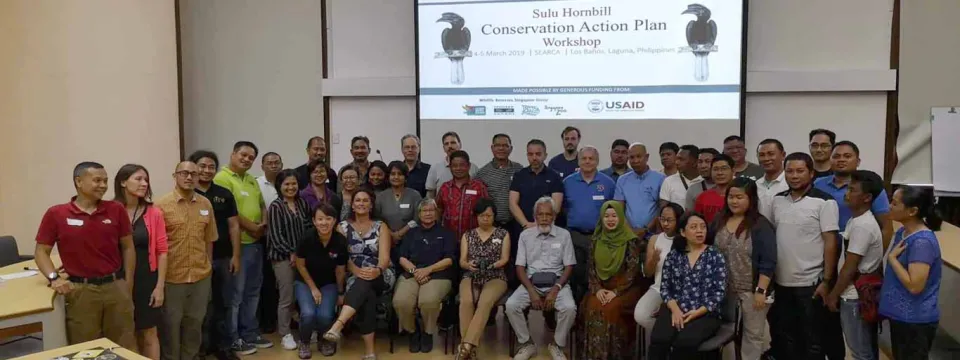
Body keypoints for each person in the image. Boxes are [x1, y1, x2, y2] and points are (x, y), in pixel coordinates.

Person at [34, 162, 137, 349]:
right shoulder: (56, 213)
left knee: (124, 343)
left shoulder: (116, 209)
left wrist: (128, 283)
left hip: (115, 287)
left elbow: (128, 247)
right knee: (86, 347)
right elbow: (41, 252)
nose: (103, 185)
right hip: (81, 291)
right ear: (79, 181)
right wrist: (54, 278)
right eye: (97, 180)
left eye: (105, 181)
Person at [769, 152, 839, 360]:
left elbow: (831, 242)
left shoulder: (824, 202)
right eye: (789, 171)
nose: (794, 176)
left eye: (800, 171)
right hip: (781, 282)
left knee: (813, 339)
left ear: (811, 173)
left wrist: (827, 281)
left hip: (810, 283)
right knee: (785, 335)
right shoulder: (777, 201)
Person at [155, 161, 219, 360]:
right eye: (184, 173)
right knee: (170, 327)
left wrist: (207, 267)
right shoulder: (160, 205)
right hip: (173, 277)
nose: (190, 177)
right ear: (175, 176)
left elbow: (209, 239)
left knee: (195, 325)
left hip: (200, 276)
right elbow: (156, 247)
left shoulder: (205, 204)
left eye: (194, 173)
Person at [322, 189, 395, 360]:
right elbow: (342, 256)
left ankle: (338, 325)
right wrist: (355, 270)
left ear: (371, 205)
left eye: (365, 200)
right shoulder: (342, 227)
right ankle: (369, 352)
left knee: (365, 282)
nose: (361, 203)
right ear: (352, 205)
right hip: (354, 274)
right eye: (358, 200)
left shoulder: (381, 226)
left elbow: (385, 258)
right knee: (366, 293)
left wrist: (376, 270)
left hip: (382, 274)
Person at [213, 141, 273, 350]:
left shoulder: (251, 179)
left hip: (256, 244)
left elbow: (262, 205)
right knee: (235, 295)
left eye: (251, 157)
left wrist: (263, 223)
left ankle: (250, 333)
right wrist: (253, 228)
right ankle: (233, 338)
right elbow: (231, 213)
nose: (247, 159)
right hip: (238, 246)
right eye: (243, 155)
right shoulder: (221, 178)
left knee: (253, 291)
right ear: (233, 154)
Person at [711, 177, 777, 359]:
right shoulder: (719, 220)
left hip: (752, 291)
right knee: (726, 333)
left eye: (739, 197)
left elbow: (768, 261)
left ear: (751, 198)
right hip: (724, 290)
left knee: (753, 335)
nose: (734, 201)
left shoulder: (760, 225)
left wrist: (761, 290)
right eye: (731, 197)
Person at [647, 212, 727, 359]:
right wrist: (675, 309)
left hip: (705, 311)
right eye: (694, 227)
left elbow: (719, 293)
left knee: (684, 343)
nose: (700, 231)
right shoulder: (674, 255)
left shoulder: (715, 255)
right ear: (683, 232)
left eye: (703, 227)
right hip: (675, 307)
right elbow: (665, 288)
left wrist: (697, 312)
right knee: (659, 340)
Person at [506, 197, 577, 360]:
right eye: (540, 215)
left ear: (554, 216)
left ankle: (557, 345)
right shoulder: (526, 235)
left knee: (569, 308)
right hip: (531, 283)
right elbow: (519, 267)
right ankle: (526, 343)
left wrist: (556, 289)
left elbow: (569, 266)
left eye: (548, 214)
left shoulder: (564, 235)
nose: (544, 218)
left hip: (558, 283)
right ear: (535, 216)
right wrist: (531, 291)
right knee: (511, 305)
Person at [191, 150, 246, 359]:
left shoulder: (224, 194)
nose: (206, 170)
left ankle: (224, 347)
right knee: (200, 306)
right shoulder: (188, 194)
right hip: (195, 260)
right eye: (202, 166)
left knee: (224, 303)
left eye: (211, 166)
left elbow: (234, 226)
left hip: (223, 257)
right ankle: (201, 349)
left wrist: (236, 256)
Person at [824, 170, 884, 360]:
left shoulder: (862, 225)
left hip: (854, 296)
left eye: (852, 189)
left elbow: (850, 268)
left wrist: (833, 295)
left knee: (860, 351)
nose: (846, 193)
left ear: (867, 197)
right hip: (855, 293)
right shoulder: (855, 220)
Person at [880, 185, 943, 360]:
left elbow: (915, 286)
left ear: (912, 211)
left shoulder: (922, 242)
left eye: (894, 203)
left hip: (915, 319)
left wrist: (892, 259)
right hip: (900, 316)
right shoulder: (902, 232)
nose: (889, 206)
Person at [114, 164, 168, 360]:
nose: (144, 183)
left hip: (147, 279)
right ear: (122, 181)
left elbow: (162, 251)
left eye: (146, 180)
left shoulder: (154, 212)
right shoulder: (110, 210)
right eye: (138, 179)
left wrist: (160, 287)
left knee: (149, 332)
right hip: (117, 280)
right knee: (124, 333)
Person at [580, 201, 644, 360]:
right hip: (601, 288)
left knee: (610, 308)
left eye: (614, 216)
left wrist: (616, 292)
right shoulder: (596, 240)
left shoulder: (631, 241)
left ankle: (614, 356)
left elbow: (632, 272)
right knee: (592, 306)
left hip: (625, 289)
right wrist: (598, 288)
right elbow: (591, 269)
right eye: (606, 216)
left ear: (621, 218)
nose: (610, 219)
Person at [394, 199, 457, 353]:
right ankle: (412, 332)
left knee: (428, 301)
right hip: (412, 274)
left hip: (439, 275)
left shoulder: (446, 233)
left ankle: (428, 333)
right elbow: (402, 258)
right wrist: (416, 272)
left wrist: (428, 270)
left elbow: (449, 259)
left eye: (431, 210)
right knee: (401, 301)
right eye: (424, 211)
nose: (428, 213)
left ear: (437, 213)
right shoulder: (411, 233)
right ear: (419, 214)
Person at [455, 199, 511, 360]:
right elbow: (462, 261)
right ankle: (469, 349)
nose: (485, 218)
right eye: (482, 215)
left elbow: (504, 259)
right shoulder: (468, 234)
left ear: (494, 216)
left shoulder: (503, 234)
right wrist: (468, 265)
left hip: (495, 275)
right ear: (476, 217)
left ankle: (465, 346)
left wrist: (492, 265)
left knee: (485, 302)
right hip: (471, 274)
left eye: (489, 215)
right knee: (466, 301)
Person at [814, 140, 893, 249]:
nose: (841, 160)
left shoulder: (870, 186)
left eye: (847, 156)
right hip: (820, 247)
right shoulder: (817, 184)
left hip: (857, 248)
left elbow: (886, 227)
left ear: (858, 161)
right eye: (836, 156)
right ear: (830, 160)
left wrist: (876, 260)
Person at [293, 203, 347, 358]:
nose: (324, 223)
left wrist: (340, 292)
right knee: (308, 314)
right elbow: (300, 265)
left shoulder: (340, 241)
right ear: (314, 221)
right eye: (320, 219)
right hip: (305, 281)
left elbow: (340, 270)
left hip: (328, 283)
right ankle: (304, 342)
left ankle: (325, 341)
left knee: (325, 315)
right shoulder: (306, 238)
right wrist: (313, 288)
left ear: (335, 221)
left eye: (328, 218)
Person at [562, 146, 615, 303]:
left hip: (599, 236)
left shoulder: (608, 183)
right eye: (584, 158)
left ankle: (589, 311)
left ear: (597, 161)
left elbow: (613, 210)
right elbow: (562, 208)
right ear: (578, 161)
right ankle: (575, 313)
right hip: (574, 236)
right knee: (575, 276)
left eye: (591, 158)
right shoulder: (567, 182)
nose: (587, 161)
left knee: (595, 276)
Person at [266, 169, 311, 350]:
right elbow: (275, 237)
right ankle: (285, 334)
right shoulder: (276, 206)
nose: (291, 187)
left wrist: (302, 253)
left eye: (294, 184)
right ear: (280, 186)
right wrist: (292, 253)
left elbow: (309, 229)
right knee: (287, 297)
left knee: (303, 295)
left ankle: (306, 330)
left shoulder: (302, 203)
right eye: (287, 184)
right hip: (282, 258)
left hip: (301, 257)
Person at [509, 139, 564, 288]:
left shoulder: (554, 176)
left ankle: (549, 307)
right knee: (521, 267)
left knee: (547, 267)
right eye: (531, 154)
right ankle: (521, 306)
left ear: (545, 155)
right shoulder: (519, 175)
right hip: (523, 231)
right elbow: (512, 203)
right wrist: (526, 224)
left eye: (538, 154)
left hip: (547, 231)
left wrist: (538, 225)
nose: (534, 157)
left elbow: (556, 206)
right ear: (527, 155)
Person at [634, 203, 682, 342]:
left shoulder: (685, 239)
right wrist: (653, 260)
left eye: (670, 220)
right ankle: (666, 337)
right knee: (641, 315)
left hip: (679, 291)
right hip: (658, 288)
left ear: (678, 220)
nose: (665, 224)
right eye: (662, 219)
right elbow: (648, 273)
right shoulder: (655, 239)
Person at [614, 143, 666, 240]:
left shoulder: (660, 178)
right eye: (631, 157)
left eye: (639, 156)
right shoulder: (622, 180)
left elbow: (662, 209)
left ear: (647, 157)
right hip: (628, 235)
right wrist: (630, 231)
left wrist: (646, 229)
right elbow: (619, 210)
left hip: (653, 235)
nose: (635, 161)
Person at [475, 133, 524, 233]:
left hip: (516, 223)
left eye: (505, 145)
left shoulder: (519, 170)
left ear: (511, 148)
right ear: (492, 148)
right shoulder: (482, 173)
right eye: (498, 145)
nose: (501, 148)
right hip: (492, 225)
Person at [436, 150, 490, 240]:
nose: (458, 168)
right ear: (450, 167)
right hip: (449, 240)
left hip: (474, 239)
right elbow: (438, 210)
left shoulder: (479, 187)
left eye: (462, 165)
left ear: (468, 166)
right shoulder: (445, 187)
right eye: (454, 166)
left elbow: (487, 212)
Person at [375, 161, 422, 243]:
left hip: (411, 239)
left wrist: (400, 233)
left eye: (400, 174)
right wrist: (391, 234)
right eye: (393, 174)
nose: (396, 177)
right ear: (388, 176)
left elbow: (417, 219)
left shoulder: (415, 195)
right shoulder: (380, 196)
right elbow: (377, 219)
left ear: (406, 177)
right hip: (386, 239)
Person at [426, 131, 479, 198]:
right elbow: (430, 196)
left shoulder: (473, 168)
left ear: (460, 145)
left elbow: (478, 191)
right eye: (446, 144)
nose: (450, 146)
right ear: (444, 148)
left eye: (453, 143)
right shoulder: (435, 168)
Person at [694, 154, 734, 223]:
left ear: (733, 171)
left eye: (724, 169)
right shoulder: (703, 197)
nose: (719, 173)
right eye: (715, 169)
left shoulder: (741, 195)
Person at [659, 144, 701, 209]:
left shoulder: (704, 181)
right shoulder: (669, 181)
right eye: (676, 159)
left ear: (695, 162)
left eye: (681, 159)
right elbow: (663, 210)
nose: (677, 162)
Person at [755, 139, 788, 220]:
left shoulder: (790, 183)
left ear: (783, 155)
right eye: (762, 155)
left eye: (771, 154)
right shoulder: (755, 185)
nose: (766, 159)